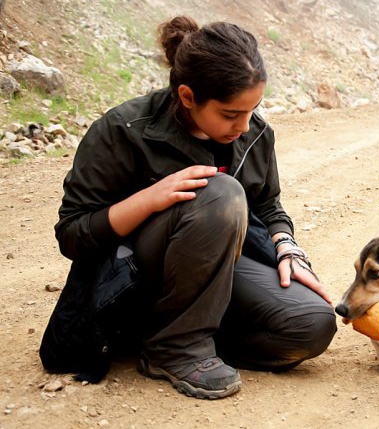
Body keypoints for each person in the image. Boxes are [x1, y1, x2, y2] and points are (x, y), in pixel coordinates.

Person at [39, 16, 337, 400]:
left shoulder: (256, 134)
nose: (245, 126)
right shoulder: (123, 130)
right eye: (230, 114)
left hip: (213, 275)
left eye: (252, 110)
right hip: (131, 277)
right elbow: (72, 235)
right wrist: (149, 199)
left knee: (309, 326)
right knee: (221, 194)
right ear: (187, 96)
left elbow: (268, 206)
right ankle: (176, 348)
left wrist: (286, 246)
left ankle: (171, 336)